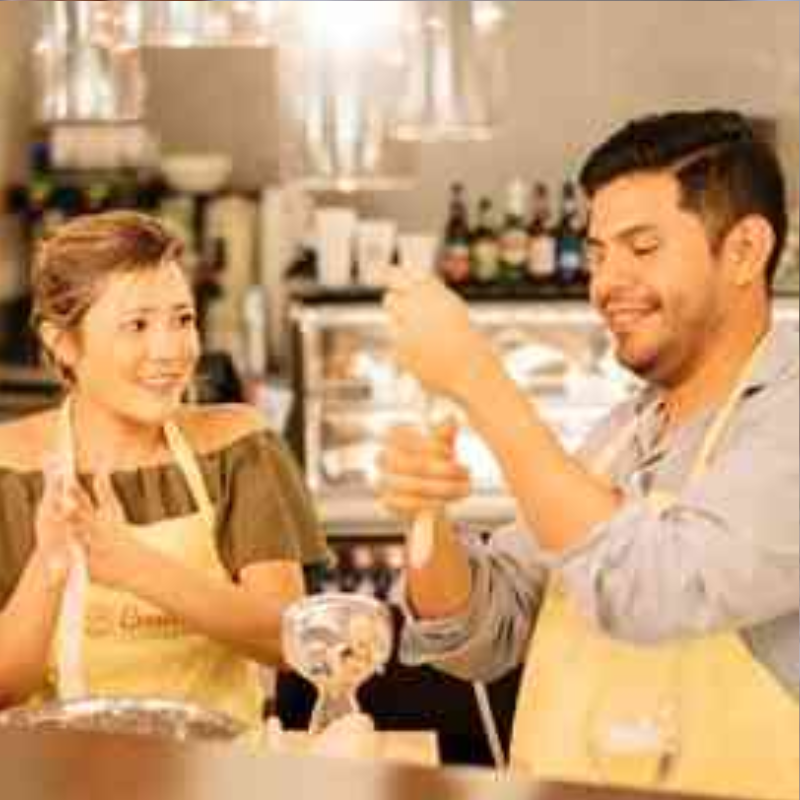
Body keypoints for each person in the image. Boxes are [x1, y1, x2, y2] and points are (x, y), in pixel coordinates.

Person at [380, 110, 798, 797]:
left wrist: (479, 381)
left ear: (745, 251)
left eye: (642, 247)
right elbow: (484, 628)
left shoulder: (787, 418)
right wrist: (425, 518)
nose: (605, 283)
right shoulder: (618, 436)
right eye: (599, 254)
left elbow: (653, 586)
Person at [0, 211, 328, 730]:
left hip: (221, 766)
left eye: (183, 319)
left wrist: (137, 569)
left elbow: (289, 642)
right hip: (59, 768)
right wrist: (49, 565)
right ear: (62, 341)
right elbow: (4, 690)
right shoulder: (11, 471)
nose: (171, 350)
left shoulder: (238, 447)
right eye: (137, 325)